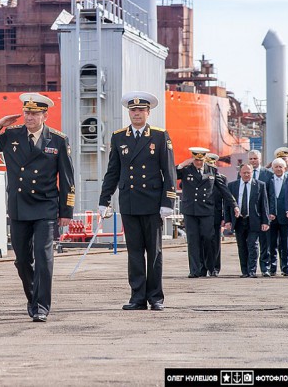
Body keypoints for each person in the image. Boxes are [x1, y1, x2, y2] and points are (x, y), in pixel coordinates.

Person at [0, 92, 74, 322]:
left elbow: (67, 178)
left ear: (45, 116)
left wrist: (66, 211)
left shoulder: (58, 140)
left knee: (43, 256)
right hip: (19, 206)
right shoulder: (12, 135)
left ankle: (41, 306)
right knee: (22, 259)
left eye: (35, 113)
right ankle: (33, 297)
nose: (29, 117)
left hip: (46, 205)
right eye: (27, 113)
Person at [99, 91, 176, 311]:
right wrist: (104, 199)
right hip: (130, 202)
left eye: (141, 110)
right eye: (133, 111)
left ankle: (156, 297)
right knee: (134, 253)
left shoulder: (160, 136)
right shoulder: (119, 137)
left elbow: (169, 171)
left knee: (154, 252)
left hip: (152, 203)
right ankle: (137, 297)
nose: (136, 114)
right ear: (129, 113)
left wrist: (168, 202)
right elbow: (113, 171)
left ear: (148, 112)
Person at [176, 147, 237, 278]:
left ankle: (210, 266)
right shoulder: (186, 170)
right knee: (193, 240)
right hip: (191, 210)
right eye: (196, 160)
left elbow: (223, 189)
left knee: (208, 238)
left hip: (206, 210)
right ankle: (195, 270)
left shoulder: (212, 170)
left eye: (200, 160)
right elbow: (172, 175)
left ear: (204, 159)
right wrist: (182, 164)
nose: (198, 163)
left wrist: (234, 205)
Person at [225, 164, 269, 278]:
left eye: (248, 173)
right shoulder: (232, 186)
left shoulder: (260, 185)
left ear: (252, 173)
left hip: (253, 220)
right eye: (244, 173)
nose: (246, 175)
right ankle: (244, 271)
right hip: (239, 220)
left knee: (253, 245)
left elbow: (264, 205)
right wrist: (228, 220)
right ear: (240, 173)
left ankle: (252, 271)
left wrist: (265, 221)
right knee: (242, 246)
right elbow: (227, 205)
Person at [248, 150, 273, 274]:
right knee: (251, 243)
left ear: (260, 159)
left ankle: (265, 268)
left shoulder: (267, 174)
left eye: (255, 158)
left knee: (265, 242)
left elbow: (271, 195)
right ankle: (250, 269)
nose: (253, 161)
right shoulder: (244, 173)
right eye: (251, 159)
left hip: (263, 212)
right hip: (249, 214)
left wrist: (269, 213)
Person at [267, 158, 288, 276]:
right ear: (272, 168)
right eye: (276, 166)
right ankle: (272, 267)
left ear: (285, 168)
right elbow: (265, 198)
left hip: (285, 217)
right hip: (271, 218)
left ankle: (286, 267)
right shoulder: (268, 180)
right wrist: (268, 213)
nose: (278, 169)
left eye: (280, 167)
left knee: (285, 244)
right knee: (272, 244)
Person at [205, 153, 227, 275]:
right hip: (203, 214)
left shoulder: (221, 178)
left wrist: (225, 217)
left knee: (216, 242)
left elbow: (225, 197)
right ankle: (205, 266)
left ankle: (215, 268)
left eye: (212, 164)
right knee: (204, 241)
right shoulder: (200, 177)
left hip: (216, 214)